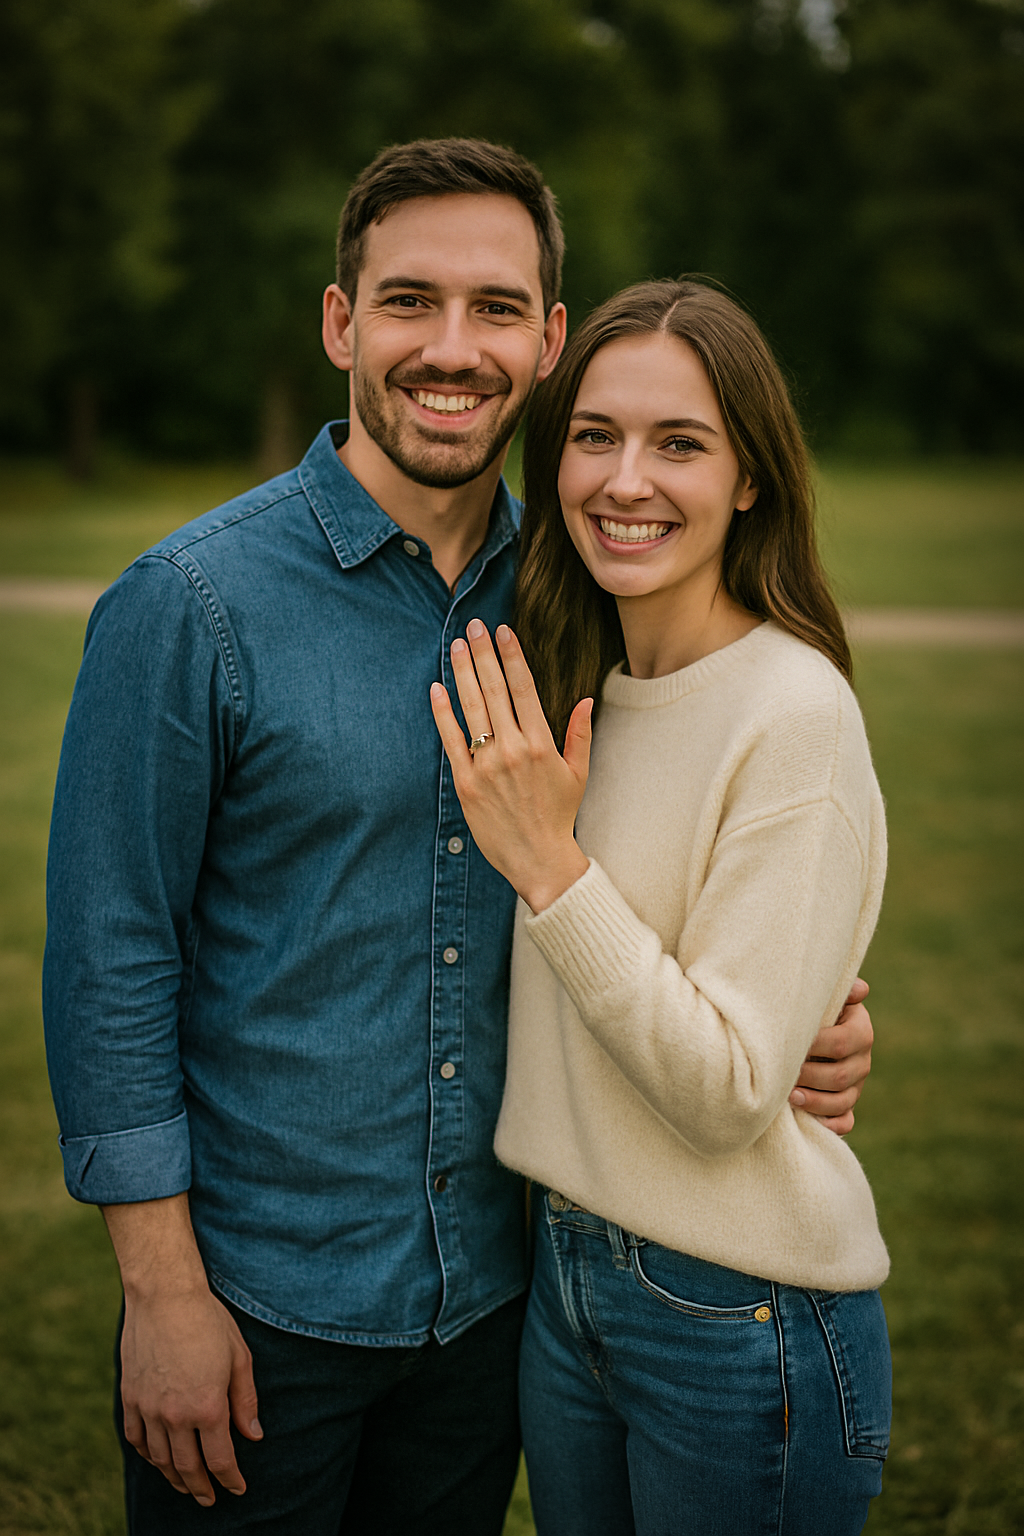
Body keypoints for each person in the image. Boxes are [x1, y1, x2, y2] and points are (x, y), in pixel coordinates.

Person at [43, 137, 875, 1534]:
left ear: (548, 341)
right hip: (258, 1309)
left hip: (497, 1310)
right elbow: (110, 960)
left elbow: (677, 845)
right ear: (340, 323)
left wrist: (805, 1013)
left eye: (495, 308)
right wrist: (162, 1295)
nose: (451, 347)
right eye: (408, 301)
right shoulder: (190, 606)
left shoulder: (579, 593)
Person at [430, 278, 891, 1535]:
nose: (624, 480)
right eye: (594, 435)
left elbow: (727, 1090)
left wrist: (553, 871)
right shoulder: (577, 684)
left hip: (736, 1310)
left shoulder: (791, 713)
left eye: (679, 443)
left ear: (750, 479)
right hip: (564, 1278)